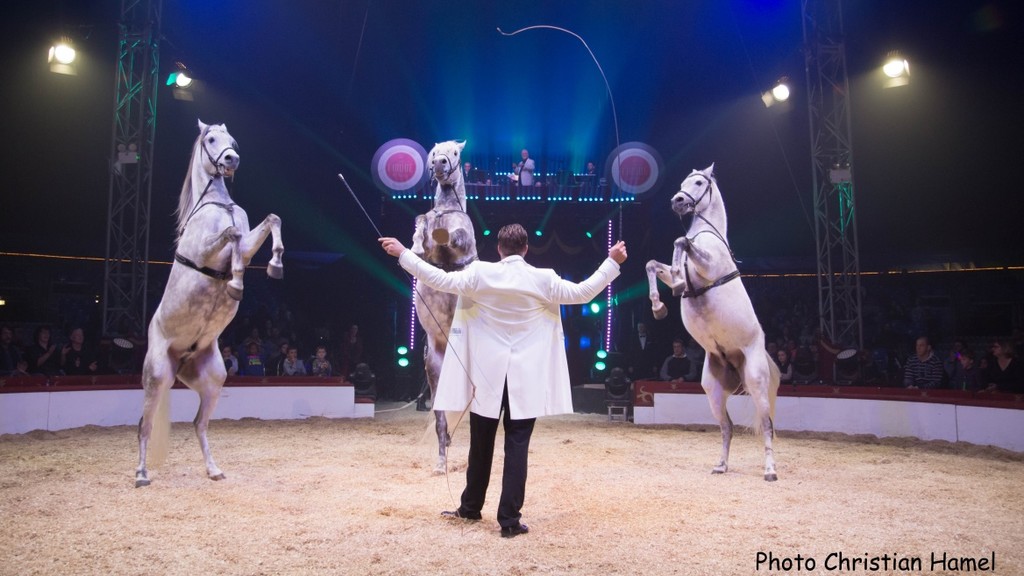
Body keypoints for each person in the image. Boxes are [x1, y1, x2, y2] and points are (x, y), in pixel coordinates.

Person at [379, 224, 626, 538]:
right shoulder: (544, 278)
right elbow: (583, 293)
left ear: (499, 249)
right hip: (525, 380)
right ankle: (508, 520)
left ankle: (470, 508)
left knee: (481, 445)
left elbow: (437, 279)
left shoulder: (480, 273)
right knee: (517, 447)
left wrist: (402, 253)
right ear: (526, 250)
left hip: (486, 377)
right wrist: (612, 261)